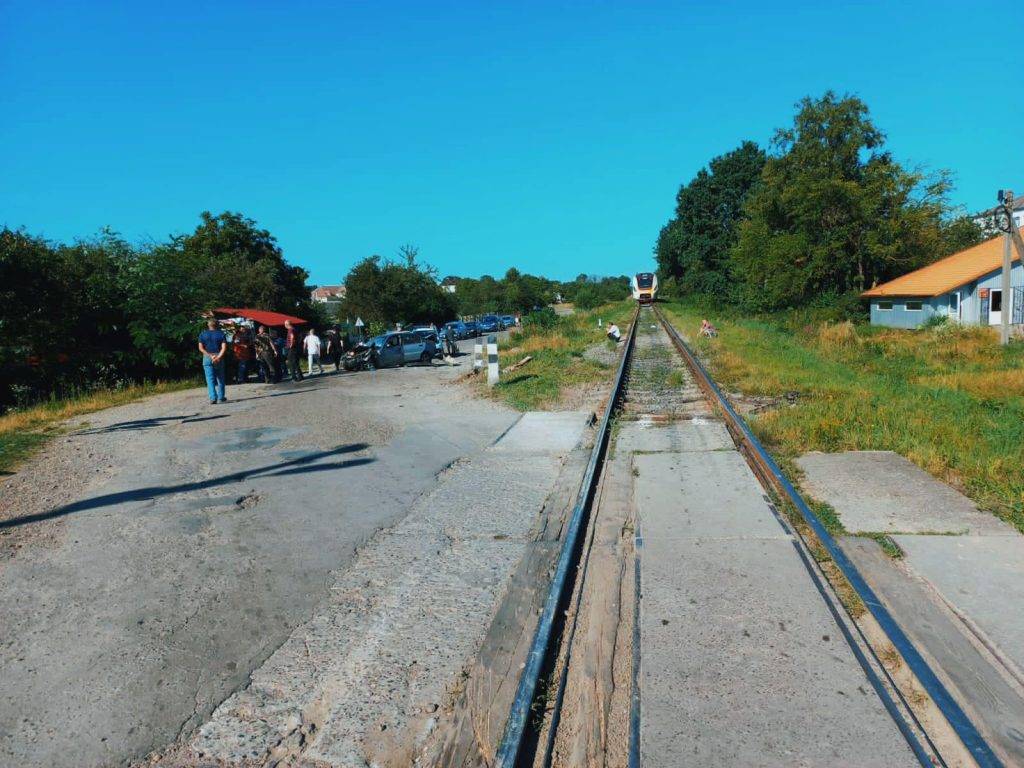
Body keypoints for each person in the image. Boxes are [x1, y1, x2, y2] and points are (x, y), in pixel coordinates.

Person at [198, 319, 228, 404]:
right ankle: (221, 397)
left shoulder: (202, 334)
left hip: (207, 357)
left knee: (210, 379)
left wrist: (210, 356)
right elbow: (224, 348)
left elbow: (200, 348)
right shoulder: (221, 334)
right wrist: (218, 357)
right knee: (220, 378)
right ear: (217, 325)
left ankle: (213, 398)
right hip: (219, 356)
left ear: (208, 325)